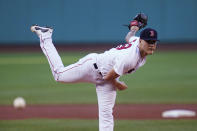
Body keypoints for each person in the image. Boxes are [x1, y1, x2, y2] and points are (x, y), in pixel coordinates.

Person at [30, 13, 159, 131]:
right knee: (59, 75)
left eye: (154, 42)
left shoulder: (138, 43)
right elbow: (109, 76)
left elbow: (129, 37)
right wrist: (118, 84)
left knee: (106, 114)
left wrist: (134, 27)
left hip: (107, 77)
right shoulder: (130, 58)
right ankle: (46, 36)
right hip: (92, 67)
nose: (152, 45)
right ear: (141, 41)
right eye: (149, 42)